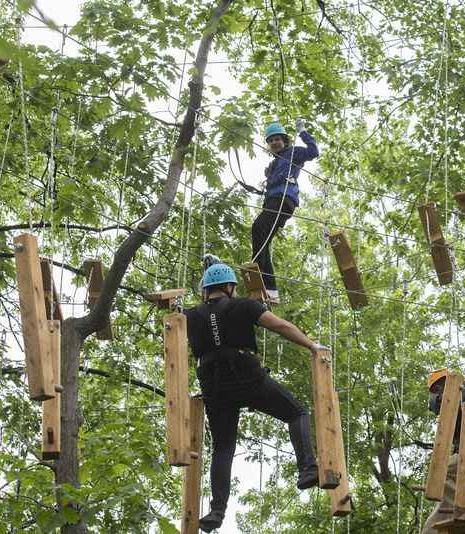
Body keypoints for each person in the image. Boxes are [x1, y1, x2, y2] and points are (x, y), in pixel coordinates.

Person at [184, 262, 323, 532]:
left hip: (214, 385)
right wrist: (311, 346)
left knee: (223, 448)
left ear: (205, 291)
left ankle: (217, 511)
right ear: (229, 287)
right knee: (296, 413)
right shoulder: (244, 306)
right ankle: (307, 468)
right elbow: (280, 326)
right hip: (246, 376)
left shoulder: (189, 316)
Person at [251, 119, 319, 303]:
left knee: (258, 228)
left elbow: (314, 152)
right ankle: (271, 290)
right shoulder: (273, 165)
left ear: (285, 140)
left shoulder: (294, 153)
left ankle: (256, 266)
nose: (274, 143)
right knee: (263, 240)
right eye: (270, 140)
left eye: (277, 139)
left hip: (284, 201)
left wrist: (303, 132)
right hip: (272, 202)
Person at [422, 369, 465, 534]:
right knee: (430, 528)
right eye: (434, 391)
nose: (436, 394)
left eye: (438, 389)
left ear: (446, 382)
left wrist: (439, 400)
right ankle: (454, 511)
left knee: (440, 471)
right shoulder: (452, 401)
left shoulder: (462, 392)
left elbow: (455, 398)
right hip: (463, 450)